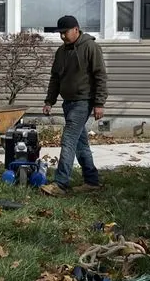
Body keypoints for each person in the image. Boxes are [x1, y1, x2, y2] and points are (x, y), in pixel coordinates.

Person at [41, 15, 108, 196]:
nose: (62, 36)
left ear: (76, 30)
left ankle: (60, 183)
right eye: (60, 33)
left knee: (68, 139)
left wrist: (99, 103)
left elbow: (100, 75)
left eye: (65, 32)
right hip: (68, 103)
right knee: (80, 144)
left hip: (83, 101)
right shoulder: (61, 52)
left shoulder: (91, 47)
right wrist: (49, 101)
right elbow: (55, 78)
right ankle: (92, 181)